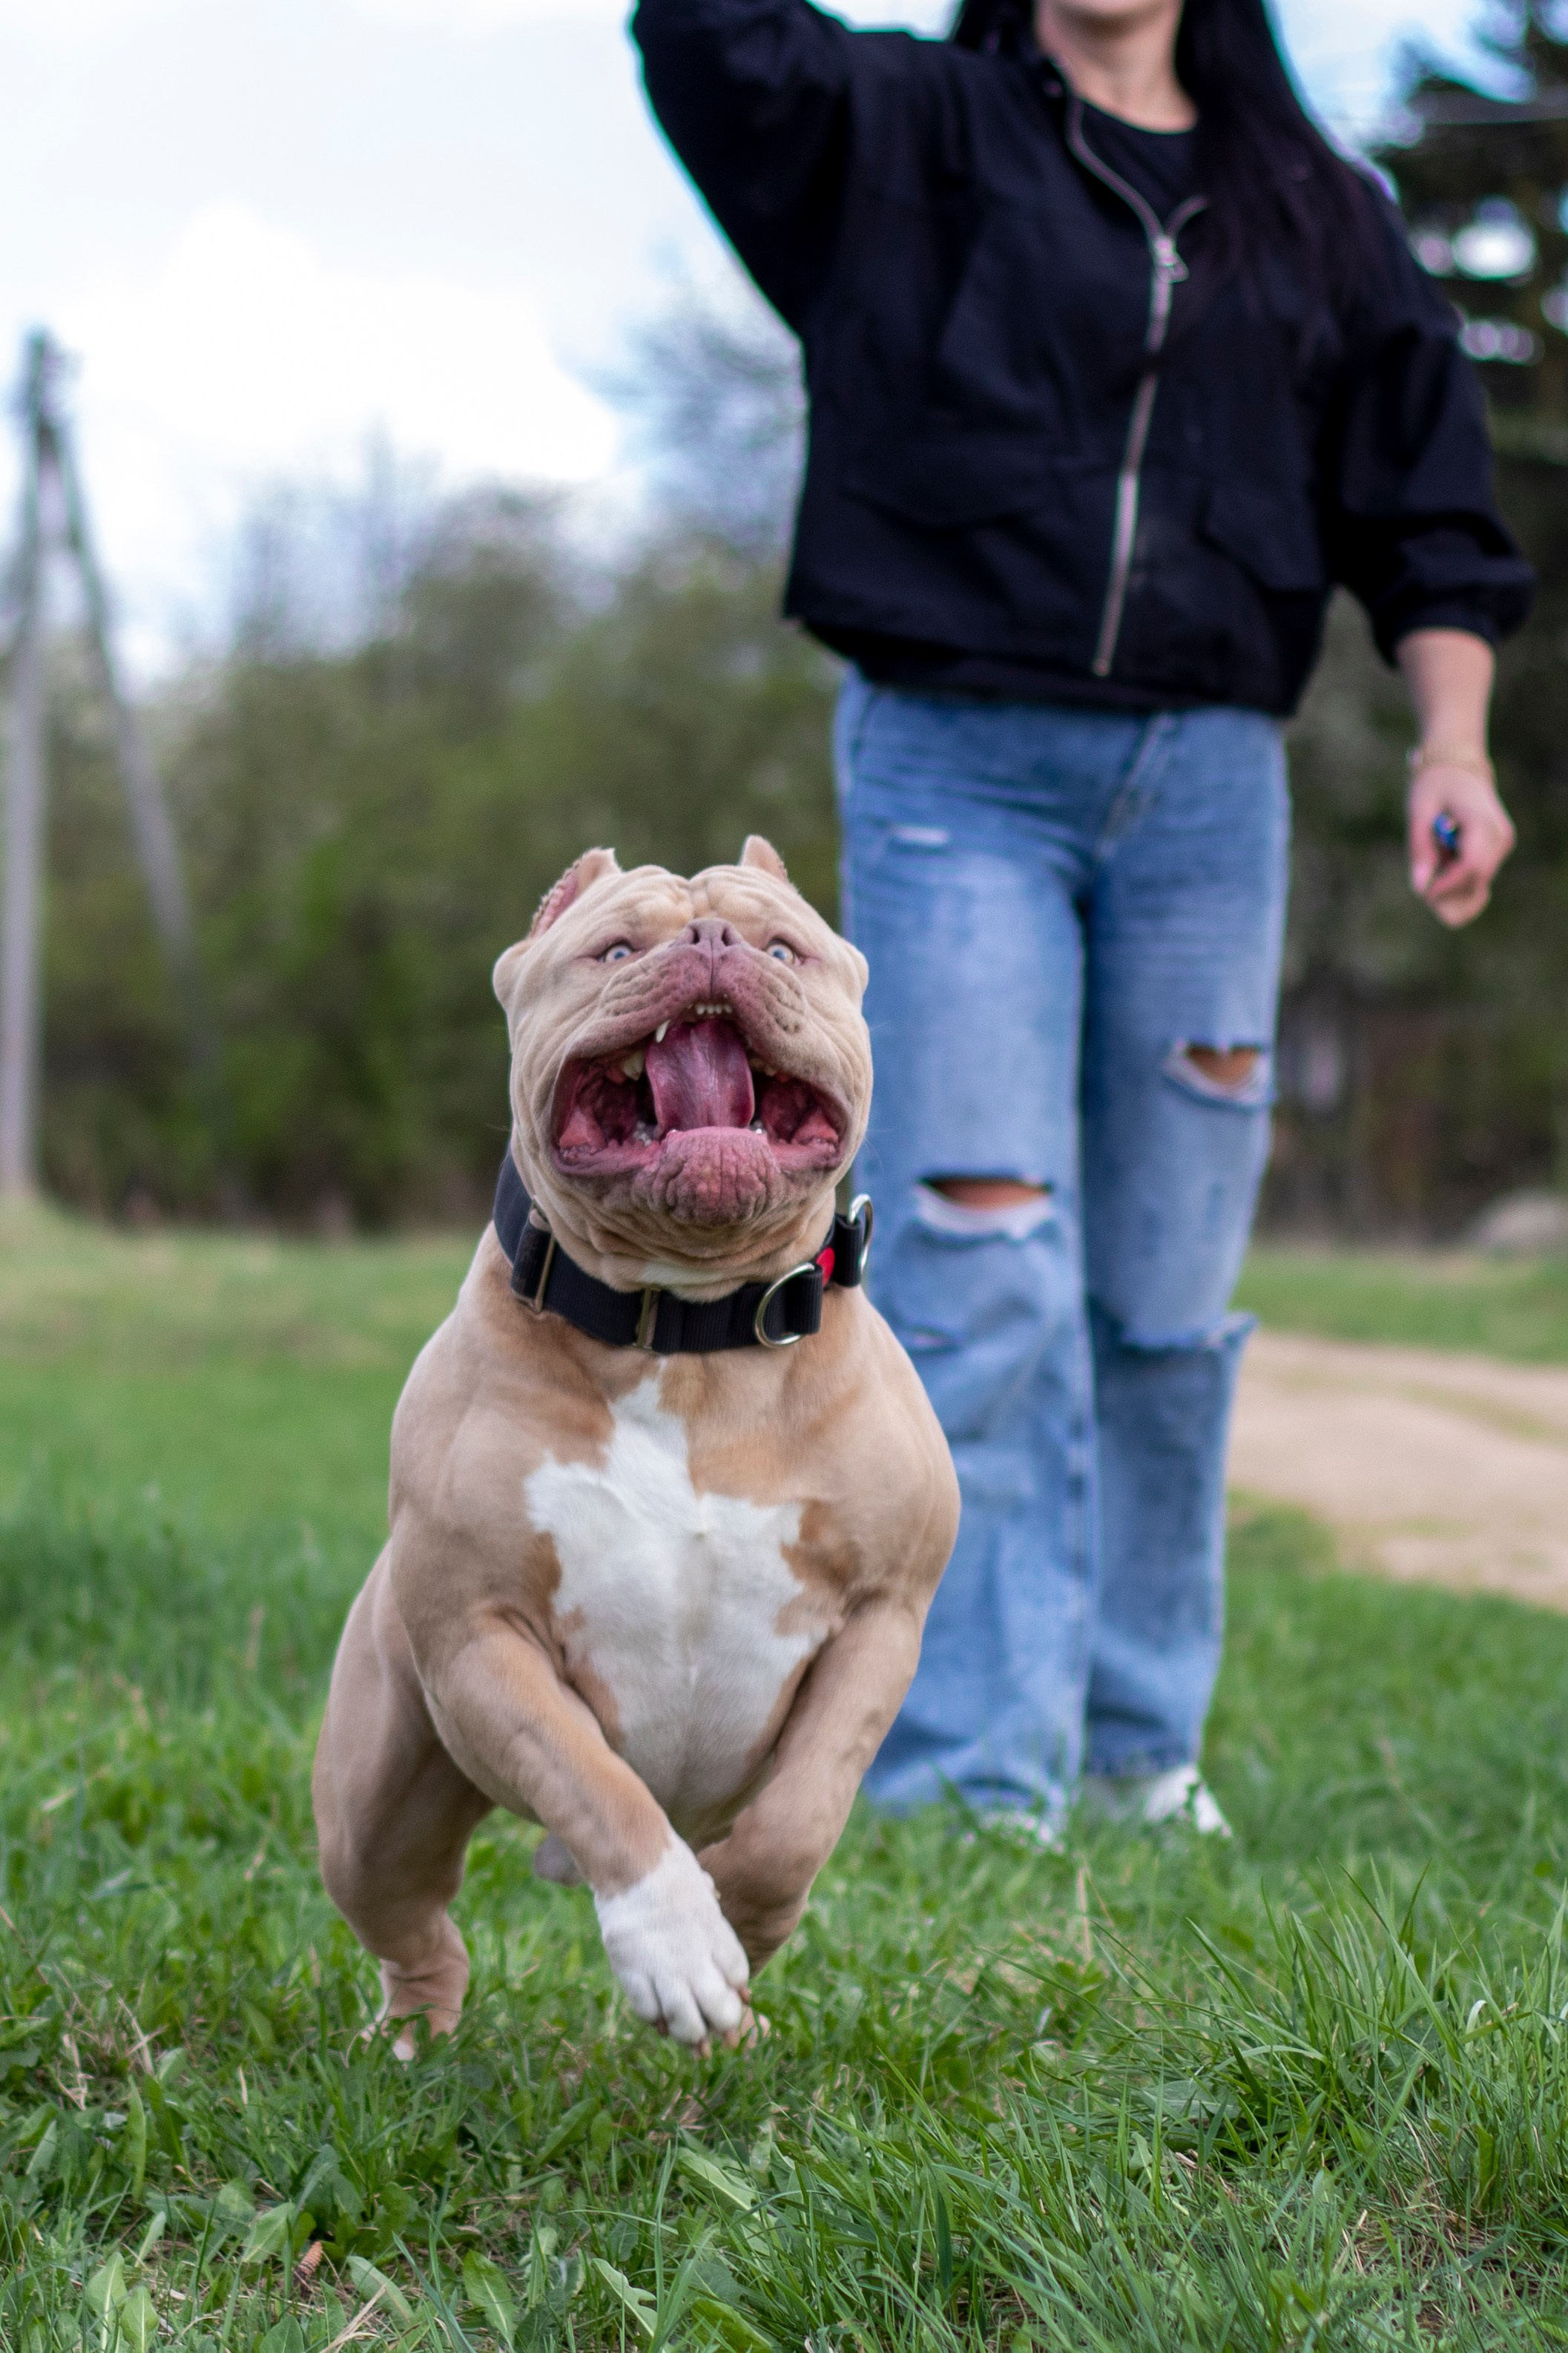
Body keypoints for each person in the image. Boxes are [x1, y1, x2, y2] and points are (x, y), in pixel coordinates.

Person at [630, 0, 1532, 1836]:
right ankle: (976, 1768)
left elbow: (1431, 509)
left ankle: (1137, 1748)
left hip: (1208, 786)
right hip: (955, 762)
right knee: (981, 1256)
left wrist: (1455, 739)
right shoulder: (902, 123)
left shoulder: (1320, 210)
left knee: (1166, 1294)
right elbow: (706, 41)